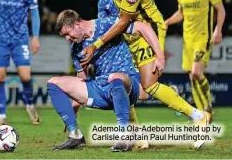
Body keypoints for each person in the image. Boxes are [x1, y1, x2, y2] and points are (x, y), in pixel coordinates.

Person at [75, 0, 210, 149]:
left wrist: (96, 45)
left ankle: (199, 116)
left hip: (146, 29)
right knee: (121, 78)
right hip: (128, 30)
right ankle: (136, 135)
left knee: (149, 85)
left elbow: (123, 21)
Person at [48, 9, 163, 151]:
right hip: (101, 88)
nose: (67, 38)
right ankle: (75, 135)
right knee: (53, 83)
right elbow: (82, 79)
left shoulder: (106, 24)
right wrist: (74, 108)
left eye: (67, 34)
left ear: (77, 24)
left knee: (114, 77)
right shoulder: (76, 48)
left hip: (126, 83)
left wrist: (160, 56)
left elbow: (143, 27)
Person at [165, 0, 226, 118]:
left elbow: (221, 9)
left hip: (203, 38)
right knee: (192, 76)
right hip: (188, 40)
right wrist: (167, 22)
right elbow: (181, 13)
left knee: (196, 72)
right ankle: (203, 115)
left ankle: (207, 106)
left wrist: (218, 29)